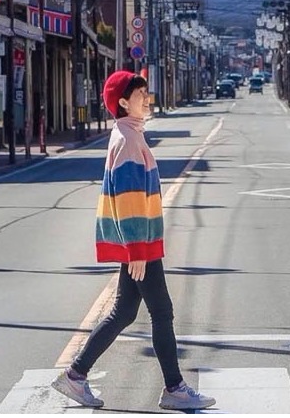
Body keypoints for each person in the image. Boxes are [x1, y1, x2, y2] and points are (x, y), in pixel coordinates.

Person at [51, 71, 215, 411]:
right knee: (162, 311)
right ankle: (174, 388)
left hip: (140, 241)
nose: (147, 98)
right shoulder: (127, 140)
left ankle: (76, 375)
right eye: (140, 94)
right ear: (123, 102)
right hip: (139, 243)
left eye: (145, 93)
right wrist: (137, 251)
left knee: (124, 312)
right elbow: (128, 199)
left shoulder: (130, 135)